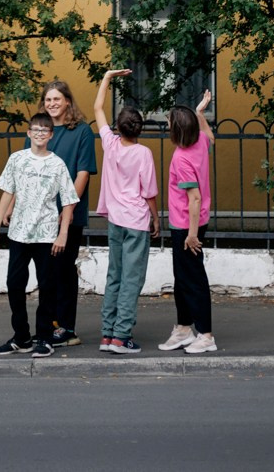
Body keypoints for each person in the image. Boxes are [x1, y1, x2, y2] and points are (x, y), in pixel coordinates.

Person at [0, 111, 79, 358]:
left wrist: (63, 234)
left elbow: (69, 201)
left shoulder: (57, 164)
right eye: (35, 130)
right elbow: (7, 192)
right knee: (14, 285)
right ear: (29, 133)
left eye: (44, 131)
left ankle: (45, 338)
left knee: (48, 288)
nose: (39, 134)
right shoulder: (17, 159)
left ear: (50, 135)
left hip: (47, 235)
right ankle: (21, 337)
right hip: (18, 233)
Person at [92, 68, 159, 354]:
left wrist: (107, 78)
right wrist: (156, 219)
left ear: (118, 127)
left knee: (114, 275)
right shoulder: (143, 153)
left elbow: (97, 108)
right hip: (136, 221)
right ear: (140, 129)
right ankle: (122, 336)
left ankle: (107, 334)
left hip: (115, 220)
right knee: (132, 279)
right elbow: (149, 193)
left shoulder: (110, 144)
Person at [32, 77, 97, 348]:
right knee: (46, 271)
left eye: (57, 99)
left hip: (67, 213)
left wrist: (67, 209)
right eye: (48, 100)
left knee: (64, 269)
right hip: (40, 213)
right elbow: (29, 169)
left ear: (67, 101)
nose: (52, 104)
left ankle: (66, 328)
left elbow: (83, 173)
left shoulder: (81, 131)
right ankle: (49, 325)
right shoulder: (41, 131)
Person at [158, 89, 217, 354]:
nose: (166, 124)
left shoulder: (181, 158)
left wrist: (192, 235)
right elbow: (211, 137)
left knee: (193, 280)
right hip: (194, 221)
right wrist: (200, 113)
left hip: (187, 225)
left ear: (177, 130)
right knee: (182, 278)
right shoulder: (200, 142)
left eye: (169, 122)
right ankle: (183, 329)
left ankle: (205, 335)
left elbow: (193, 199)